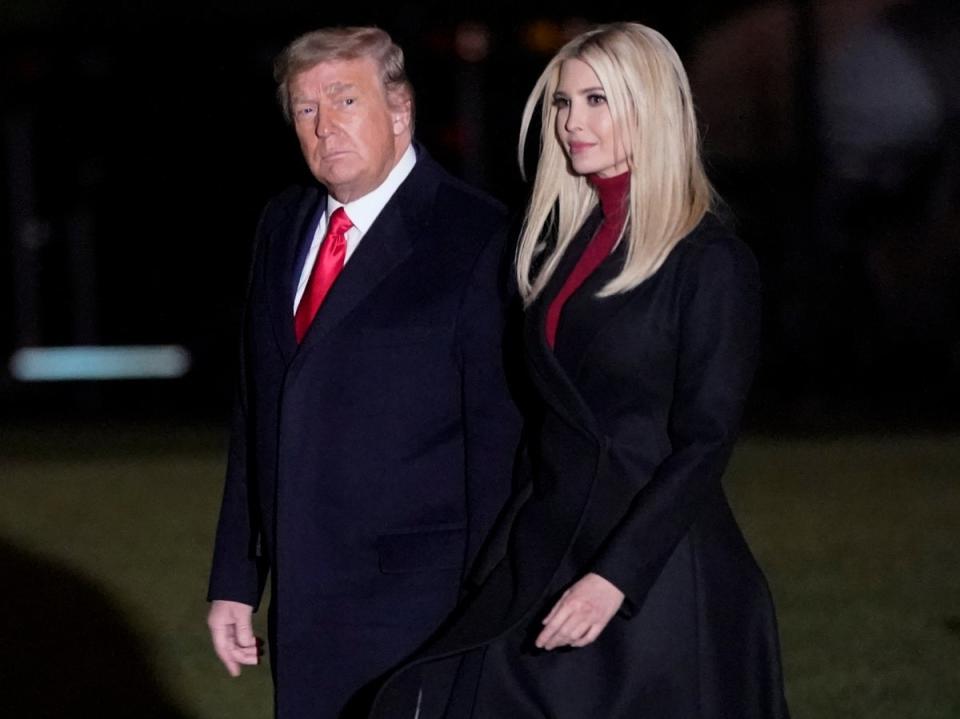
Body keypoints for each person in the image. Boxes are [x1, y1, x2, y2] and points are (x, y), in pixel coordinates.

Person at [369, 22, 790, 718]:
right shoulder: (560, 247)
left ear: (649, 108)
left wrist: (615, 577)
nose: (571, 123)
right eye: (563, 104)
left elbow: (705, 442)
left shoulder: (710, 262)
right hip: (549, 547)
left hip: (653, 576)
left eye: (596, 100)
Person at [205, 26, 521, 719]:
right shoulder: (283, 224)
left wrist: (488, 610)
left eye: (345, 100)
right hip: (303, 602)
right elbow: (257, 408)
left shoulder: (475, 236)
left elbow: (499, 441)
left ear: (400, 111)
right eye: (305, 108)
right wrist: (235, 574)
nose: (324, 126)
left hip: (421, 608)